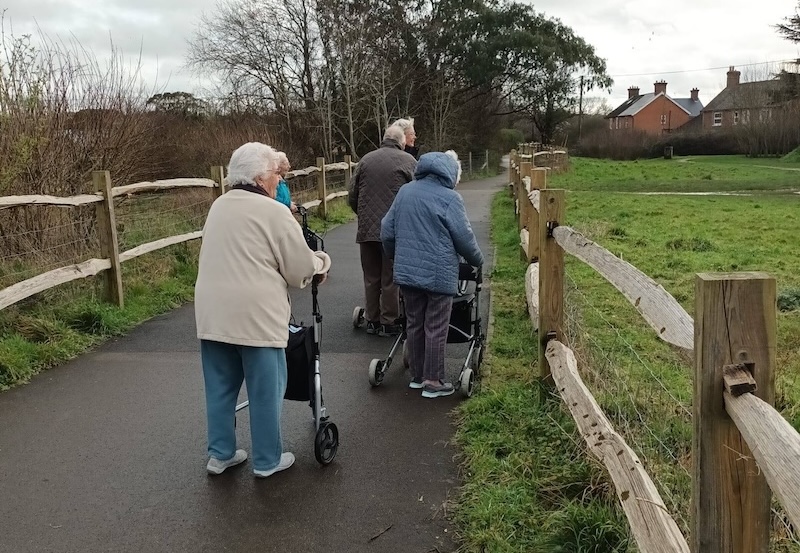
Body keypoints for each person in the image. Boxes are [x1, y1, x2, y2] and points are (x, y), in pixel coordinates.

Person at [195, 142, 331, 477]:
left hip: (212, 314)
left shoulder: (219, 207)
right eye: (275, 175)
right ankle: (268, 461)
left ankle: (221, 454)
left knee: (220, 390)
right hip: (256, 317)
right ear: (259, 176)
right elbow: (300, 270)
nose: (278, 182)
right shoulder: (274, 212)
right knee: (265, 391)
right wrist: (322, 262)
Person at [381, 150, 483, 398]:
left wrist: (397, 255)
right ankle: (434, 381)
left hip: (407, 274)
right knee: (436, 326)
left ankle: (417, 377)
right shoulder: (450, 198)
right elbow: (464, 238)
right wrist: (478, 261)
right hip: (439, 275)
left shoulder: (406, 191)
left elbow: (386, 229)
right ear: (450, 174)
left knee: (414, 323)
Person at [348, 124, 416, 336]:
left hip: (367, 229)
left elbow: (352, 193)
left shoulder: (365, 160)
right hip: (394, 229)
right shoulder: (409, 162)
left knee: (371, 276)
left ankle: (372, 320)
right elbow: (416, 194)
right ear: (402, 142)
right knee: (390, 276)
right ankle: (389, 321)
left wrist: (363, 214)